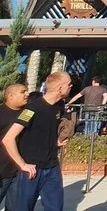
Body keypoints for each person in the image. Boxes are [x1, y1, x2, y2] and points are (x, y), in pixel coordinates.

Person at [3, 71, 72, 211]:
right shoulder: (32, 109)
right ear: (60, 88)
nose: (71, 86)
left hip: (52, 168)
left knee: (55, 208)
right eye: (69, 84)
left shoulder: (59, 106)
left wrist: (56, 142)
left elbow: (44, 131)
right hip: (32, 170)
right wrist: (22, 164)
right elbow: (8, 138)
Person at [0, 83, 29, 205]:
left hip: (20, 172)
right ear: (10, 96)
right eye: (23, 92)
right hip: (2, 171)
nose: (27, 94)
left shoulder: (27, 113)